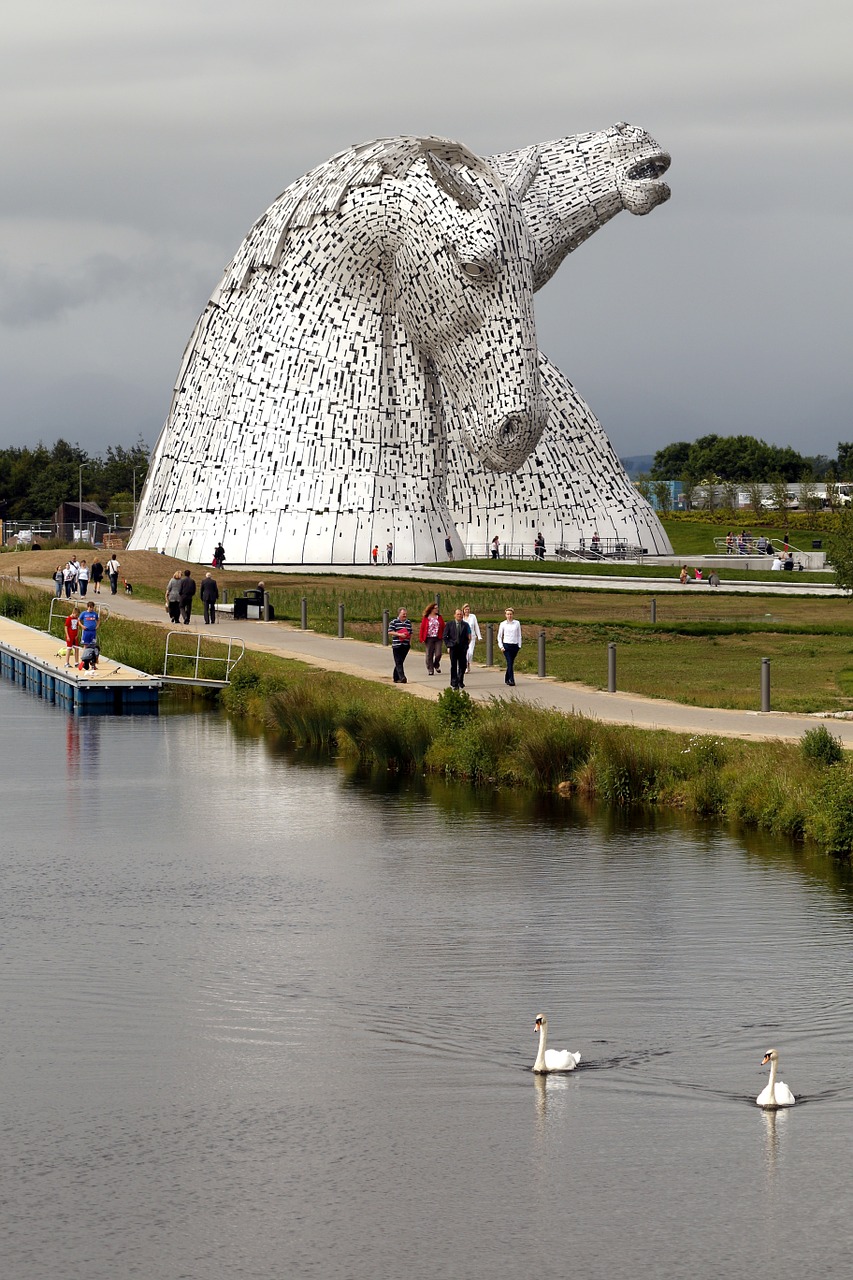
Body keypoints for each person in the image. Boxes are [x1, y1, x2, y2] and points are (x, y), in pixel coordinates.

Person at [443, 607, 471, 690]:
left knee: (462, 665)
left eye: (461, 614)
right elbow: (445, 636)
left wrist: (466, 646)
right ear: (455, 615)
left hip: (462, 648)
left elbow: (468, 637)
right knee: (454, 665)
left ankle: (460, 680)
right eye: (458, 614)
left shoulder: (465, 625)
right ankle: (454, 682)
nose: (459, 616)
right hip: (453, 647)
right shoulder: (449, 624)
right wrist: (448, 645)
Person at [497, 607, 521, 687]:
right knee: (509, 662)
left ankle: (507, 678)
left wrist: (519, 645)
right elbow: (499, 636)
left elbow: (519, 635)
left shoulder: (517, 623)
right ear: (505, 615)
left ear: (513, 615)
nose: (509, 616)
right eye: (508, 614)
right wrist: (501, 646)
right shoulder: (503, 624)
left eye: (510, 614)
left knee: (511, 663)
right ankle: (512, 680)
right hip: (506, 645)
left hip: (514, 645)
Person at [419, 602, 445, 675]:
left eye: (437, 608)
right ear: (431, 609)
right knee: (429, 654)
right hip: (429, 638)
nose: (437, 609)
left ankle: (436, 664)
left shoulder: (439, 617)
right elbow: (422, 628)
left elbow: (443, 626)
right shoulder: (426, 617)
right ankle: (430, 669)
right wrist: (421, 638)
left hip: (438, 638)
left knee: (438, 654)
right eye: (435, 608)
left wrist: (446, 635)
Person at [388, 607, 412, 683]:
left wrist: (409, 642)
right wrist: (399, 634)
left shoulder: (408, 622)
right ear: (399, 614)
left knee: (400, 661)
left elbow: (410, 633)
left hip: (405, 644)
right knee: (398, 661)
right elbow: (390, 632)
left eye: (405, 614)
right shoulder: (394, 622)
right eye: (403, 614)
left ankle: (396, 677)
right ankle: (402, 677)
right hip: (397, 644)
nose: (405, 615)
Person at [77, 601, 100, 671]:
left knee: (93, 647)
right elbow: (79, 620)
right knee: (85, 646)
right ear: (88, 607)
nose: (91, 609)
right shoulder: (84, 613)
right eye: (90, 608)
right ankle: (83, 660)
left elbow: (98, 620)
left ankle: (93, 664)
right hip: (86, 631)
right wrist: (82, 626)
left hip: (93, 631)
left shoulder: (94, 614)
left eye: (92, 608)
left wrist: (97, 626)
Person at [462, 602, 481, 673]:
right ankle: (466, 666)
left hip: (472, 637)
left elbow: (476, 626)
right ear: (463, 610)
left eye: (468, 609)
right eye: (466, 609)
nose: (467, 611)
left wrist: (479, 636)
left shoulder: (473, 616)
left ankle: (468, 663)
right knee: (465, 653)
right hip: (463, 638)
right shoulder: (462, 618)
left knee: (470, 653)